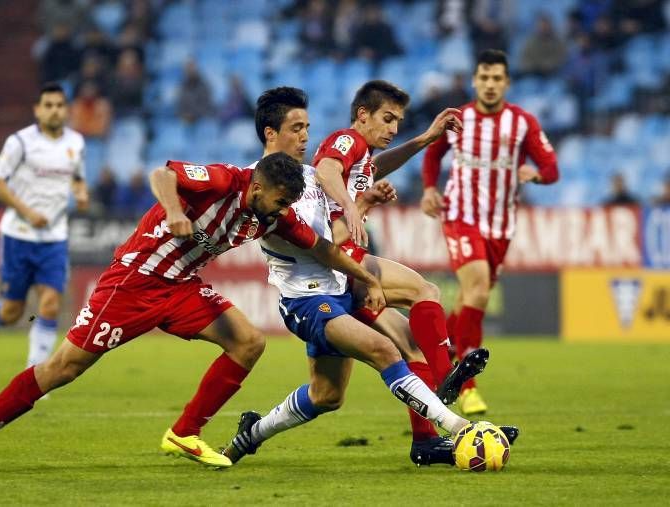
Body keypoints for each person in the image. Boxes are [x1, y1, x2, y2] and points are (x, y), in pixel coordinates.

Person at [0, 151, 388, 475]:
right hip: (133, 283)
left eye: (288, 203)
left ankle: (185, 432)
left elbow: (324, 249)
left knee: (248, 341)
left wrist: (366, 279)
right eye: (278, 200)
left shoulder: (271, 217)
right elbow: (163, 173)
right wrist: (174, 210)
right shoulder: (223, 179)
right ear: (257, 187)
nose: (284, 210)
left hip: (181, 289)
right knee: (63, 368)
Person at [222, 87, 518, 466]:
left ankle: (254, 431)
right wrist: (357, 208)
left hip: (342, 282)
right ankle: (457, 423)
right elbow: (323, 245)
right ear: (269, 133)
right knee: (389, 345)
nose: (306, 137)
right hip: (308, 298)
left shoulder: (308, 176)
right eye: (296, 128)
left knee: (330, 393)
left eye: (307, 127)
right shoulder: (262, 189)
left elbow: (365, 172)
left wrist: (423, 141)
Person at [312, 80, 476, 409]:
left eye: (398, 121)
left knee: (412, 347)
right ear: (363, 114)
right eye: (388, 119)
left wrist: (426, 139)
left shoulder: (363, 156)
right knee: (425, 291)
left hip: (339, 264)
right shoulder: (348, 139)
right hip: (340, 258)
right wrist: (350, 207)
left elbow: (377, 166)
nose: (394, 128)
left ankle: (426, 442)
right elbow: (325, 170)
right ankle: (447, 374)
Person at [420, 49, 559, 415]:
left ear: (507, 83)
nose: (491, 84)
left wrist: (537, 174)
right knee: (478, 287)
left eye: (497, 78)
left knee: (470, 297)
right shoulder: (459, 119)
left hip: (500, 225)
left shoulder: (522, 123)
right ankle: (466, 387)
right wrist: (430, 189)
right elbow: (432, 156)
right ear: (474, 81)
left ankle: (436, 350)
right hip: (460, 215)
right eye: (484, 77)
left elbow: (551, 166)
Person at [0, 83, 89, 370]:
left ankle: (35, 375)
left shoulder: (76, 143)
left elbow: (78, 178)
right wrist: (28, 212)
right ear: (37, 110)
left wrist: (81, 193)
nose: (55, 110)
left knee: (51, 304)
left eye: (59, 105)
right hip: (18, 236)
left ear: (66, 110)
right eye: (48, 105)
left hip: (55, 237)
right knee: (12, 312)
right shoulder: (19, 142)